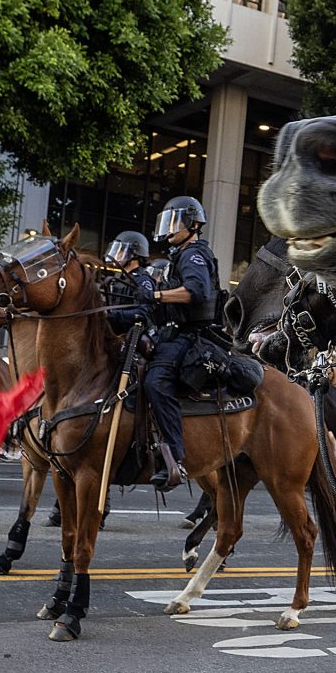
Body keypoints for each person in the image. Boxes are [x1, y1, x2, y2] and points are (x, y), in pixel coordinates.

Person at [143, 197, 222, 491]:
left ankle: (175, 456)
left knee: (156, 381)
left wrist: (157, 296)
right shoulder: (179, 255)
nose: (169, 230)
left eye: (175, 222)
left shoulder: (194, 255)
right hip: (174, 332)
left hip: (193, 336)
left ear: (193, 224)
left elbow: (197, 291)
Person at [103, 230, 158, 334]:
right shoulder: (120, 279)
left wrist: (111, 315)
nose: (116, 254)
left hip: (131, 336)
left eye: (121, 250)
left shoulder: (143, 280)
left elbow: (143, 313)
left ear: (133, 254)